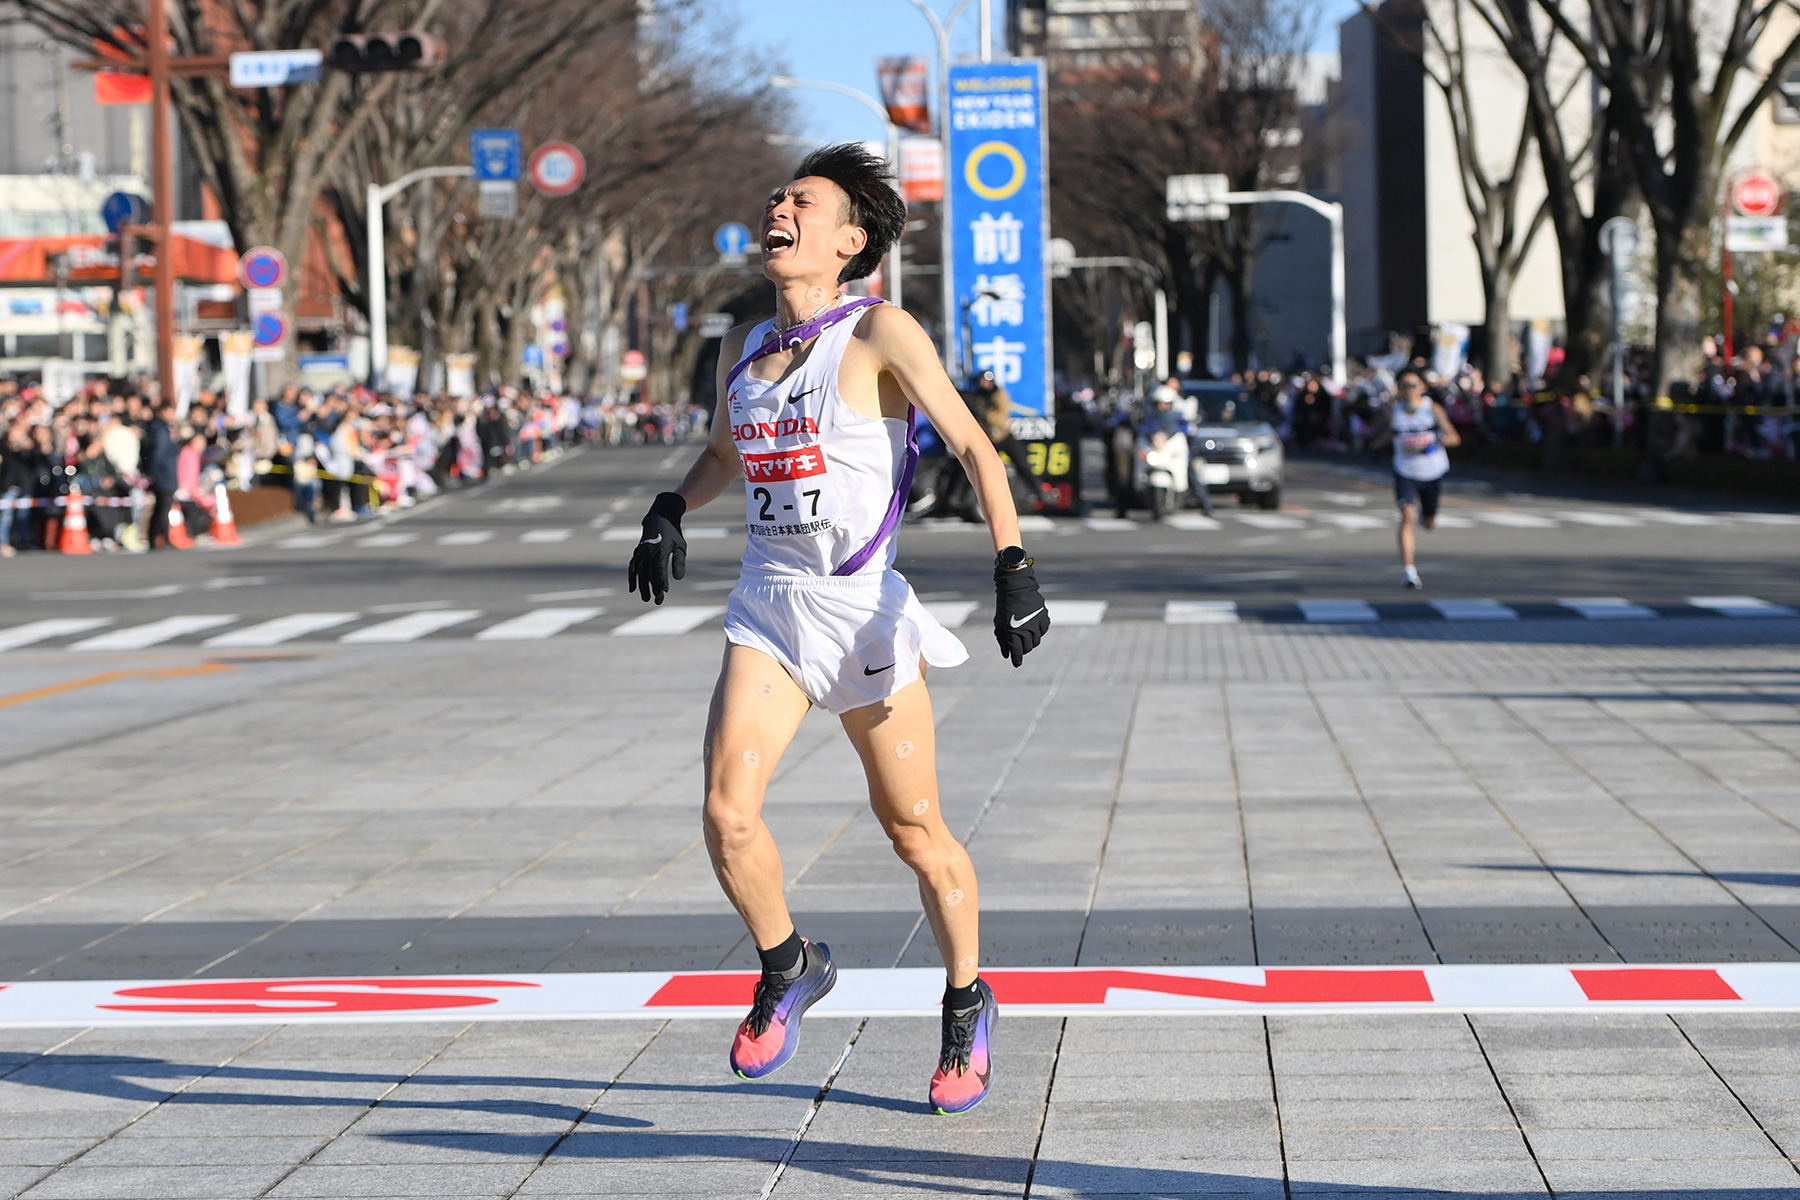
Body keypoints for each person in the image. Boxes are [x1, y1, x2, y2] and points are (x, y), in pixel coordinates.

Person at [627, 143, 1051, 1116]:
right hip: (769, 606)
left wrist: (1013, 565)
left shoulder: (878, 333)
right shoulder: (747, 350)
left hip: (859, 608)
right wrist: (670, 507)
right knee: (727, 818)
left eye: (802, 202)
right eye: (774, 196)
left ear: (849, 241)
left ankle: (966, 999)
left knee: (914, 831)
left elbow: (977, 447)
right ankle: (790, 963)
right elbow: (719, 455)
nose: (779, 207)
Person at [1371, 366, 1460, 588]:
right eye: (1403, 386)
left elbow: (1454, 438)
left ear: (1422, 387)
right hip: (1405, 470)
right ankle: (1409, 571)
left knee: (1429, 522)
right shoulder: (1393, 410)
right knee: (1407, 515)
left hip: (1432, 471)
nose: (1408, 390)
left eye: (1412, 385)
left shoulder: (1433, 409)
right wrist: (1372, 446)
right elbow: (1390, 433)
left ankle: (1426, 516)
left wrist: (1435, 441)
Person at [971, 369, 1053, 509]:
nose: (984, 384)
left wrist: (985, 414)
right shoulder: (976, 397)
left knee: (1022, 462)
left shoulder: (999, 395)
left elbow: (1001, 419)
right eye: (982, 381)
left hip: (1002, 436)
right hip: (986, 438)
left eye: (987, 381)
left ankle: (1039, 491)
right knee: (974, 465)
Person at [143, 402, 181, 549]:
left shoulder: (157, 428)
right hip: (164, 474)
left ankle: (153, 538)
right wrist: (155, 472)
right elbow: (158, 454)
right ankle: (164, 537)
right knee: (164, 507)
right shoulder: (160, 430)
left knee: (159, 507)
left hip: (162, 474)